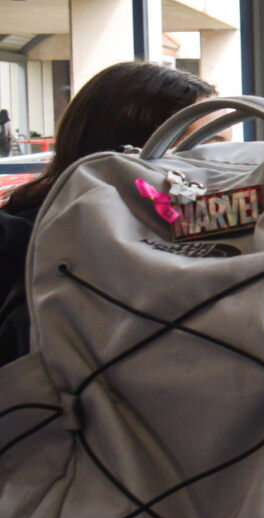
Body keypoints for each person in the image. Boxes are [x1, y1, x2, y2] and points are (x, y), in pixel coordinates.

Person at [0, 61, 216, 367]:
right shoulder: (28, 245)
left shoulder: (194, 229)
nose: (224, 165)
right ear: (133, 146)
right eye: (208, 148)